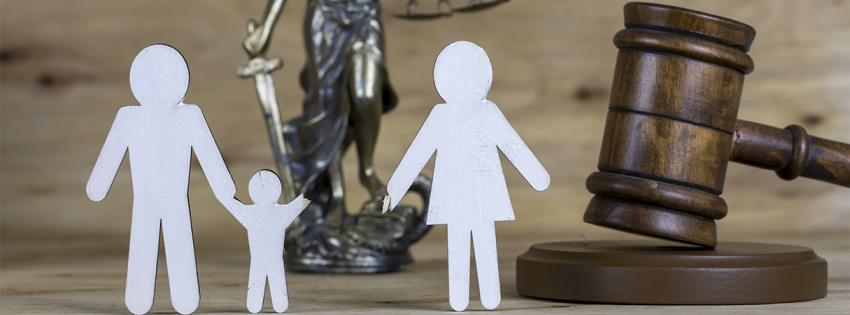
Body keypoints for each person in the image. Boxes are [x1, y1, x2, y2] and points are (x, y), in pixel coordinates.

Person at [383, 41, 550, 311]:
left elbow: (512, 145)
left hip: (481, 193)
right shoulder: (443, 115)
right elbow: (418, 152)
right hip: (457, 193)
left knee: (482, 241)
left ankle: (487, 298)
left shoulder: (486, 112)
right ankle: (462, 299)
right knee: (462, 243)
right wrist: (395, 188)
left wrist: (537, 176)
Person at [86, 44, 236, 315]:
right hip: (147, 200)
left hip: (171, 199)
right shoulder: (131, 117)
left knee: (174, 242)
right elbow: (107, 162)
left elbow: (210, 156)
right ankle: (144, 300)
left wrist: (224, 186)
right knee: (150, 242)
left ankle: (180, 300)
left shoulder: (187, 116)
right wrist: (224, 188)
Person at [220, 170, 309, 313]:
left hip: (263, 258)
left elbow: (231, 204)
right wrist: (309, 190)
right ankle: (271, 305)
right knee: (273, 278)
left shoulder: (250, 213)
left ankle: (261, 306)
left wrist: (224, 196)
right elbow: (299, 204)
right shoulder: (279, 213)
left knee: (265, 278)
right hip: (269, 258)